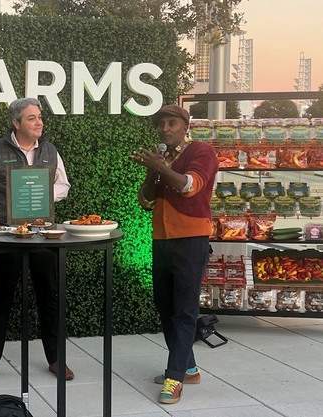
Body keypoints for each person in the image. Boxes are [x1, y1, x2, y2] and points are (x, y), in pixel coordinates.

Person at [0, 97, 73, 384]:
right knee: (1, 298)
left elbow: (63, 185)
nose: (39, 122)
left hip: (43, 234)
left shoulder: (50, 150)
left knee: (49, 297)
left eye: (39, 117)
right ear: (16, 123)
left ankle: (56, 359)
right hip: (8, 237)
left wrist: (39, 194)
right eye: (31, 118)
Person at [130, 105, 218, 404]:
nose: (165, 129)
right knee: (164, 305)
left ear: (185, 126)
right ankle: (188, 367)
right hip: (162, 239)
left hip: (191, 239)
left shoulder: (201, 151)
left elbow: (190, 186)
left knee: (184, 310)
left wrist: (162, 169)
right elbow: (146, 202)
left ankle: (175, 376)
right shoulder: (161, 158)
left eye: (171, 123)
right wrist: (152, 173)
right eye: (161, 124)